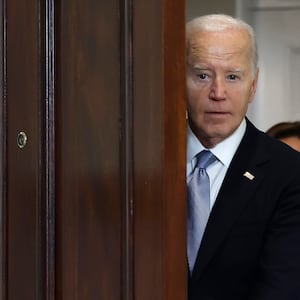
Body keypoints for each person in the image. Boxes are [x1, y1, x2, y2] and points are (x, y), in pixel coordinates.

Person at [186, 14, 300, 300]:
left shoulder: (289, 173)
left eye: (233, 76)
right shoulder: (141, 165)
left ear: (254, 84)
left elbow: (281, 288)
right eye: (202, 75)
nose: (218, 92)